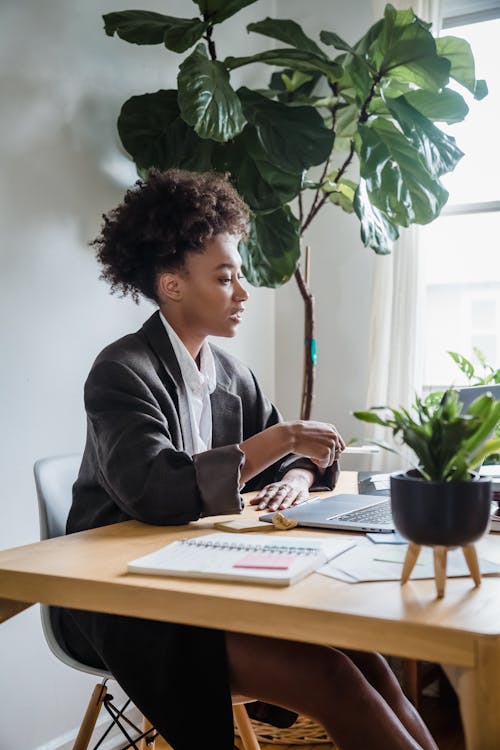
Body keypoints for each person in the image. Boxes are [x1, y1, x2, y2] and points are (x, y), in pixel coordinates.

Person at [60, 169, 438, 750]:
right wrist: (279, 442)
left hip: (206, 576)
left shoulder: (232, 374)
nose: (243, 293)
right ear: (172, 285)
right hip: (127, 603)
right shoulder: (121, 373)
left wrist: (294, 473)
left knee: (364, 655)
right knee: (331, 676)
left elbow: (310, 452)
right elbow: (158, 493)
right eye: (225, 277)